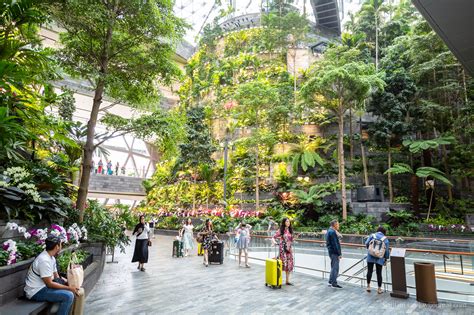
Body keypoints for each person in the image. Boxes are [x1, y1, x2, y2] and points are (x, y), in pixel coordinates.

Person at [24, 235, 79, 315]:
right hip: (35, 291)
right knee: (68, 296)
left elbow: (56, 277)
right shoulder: (44, 260)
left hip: (44, 287)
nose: (61, 246)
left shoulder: (51, 258)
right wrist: (69, 288)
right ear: (57, 246)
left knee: (70, 292)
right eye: (61, 244)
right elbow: (49, 284)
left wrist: (68, 282)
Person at [365, 226, 390, 294]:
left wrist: (370, 250)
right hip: (380, 258)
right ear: (384, 232)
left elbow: (366, 243)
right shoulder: (385, 239)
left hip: (370, 256)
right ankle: (379, 289)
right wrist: (386, 259)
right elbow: (387, 251)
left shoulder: (372, 235)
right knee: (379, 273)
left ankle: (368, 286)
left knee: (369, 271)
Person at [272, 218, 295, 285]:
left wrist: (294, 238)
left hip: (289, 249)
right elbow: (273, 237)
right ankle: (278, 280)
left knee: (289, 264)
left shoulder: (290, 230)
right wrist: (275, 242)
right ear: (284, 222)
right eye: (287, 221)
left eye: (289, 221)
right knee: (282, 263)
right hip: (283, 249)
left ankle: (287, 281)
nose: (288, 222)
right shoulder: (281, 230)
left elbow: (291, 239)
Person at [326, 219, 342, 288]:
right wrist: (339, 254)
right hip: (334, 252)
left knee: (333, 267)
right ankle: (334, 283)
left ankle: (330, 281)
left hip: (331, 252)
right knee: (335, 268)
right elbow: (335, 244)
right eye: (338, 224)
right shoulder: (332, 232)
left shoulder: (329, 231)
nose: (338, 226)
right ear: (334, 225)